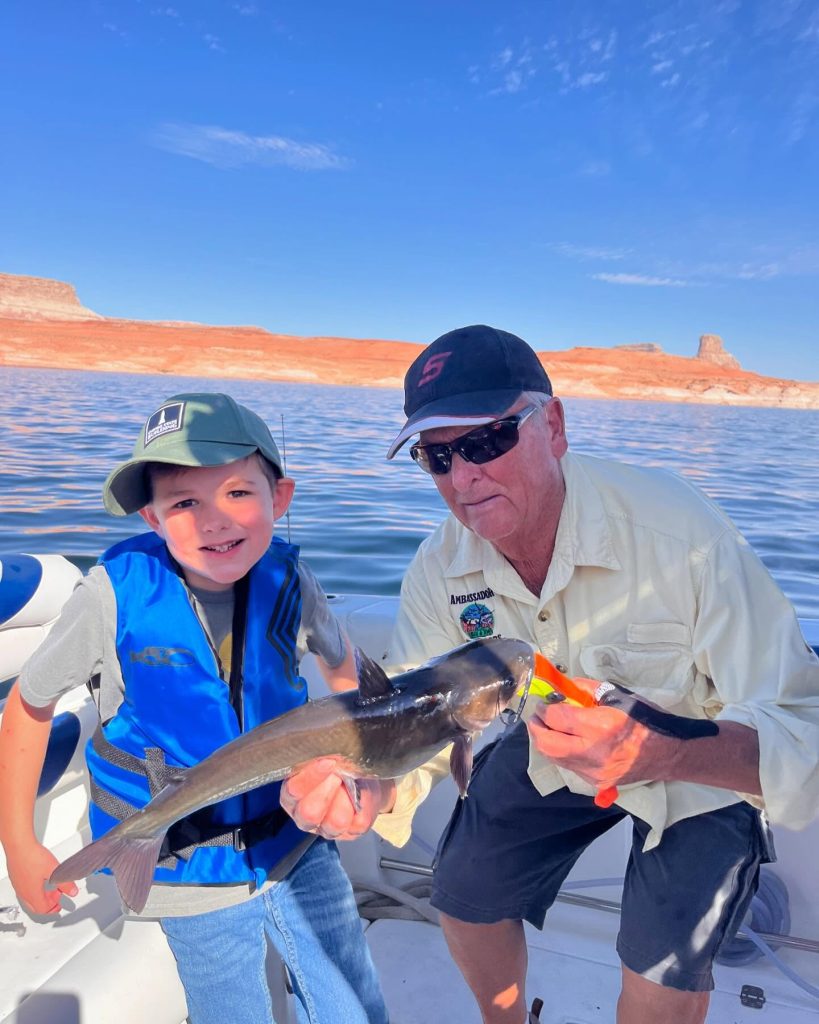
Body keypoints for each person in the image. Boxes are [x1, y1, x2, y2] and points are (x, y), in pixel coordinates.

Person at [281, 326, 819, 1024]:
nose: (461, 477)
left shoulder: (681, 535)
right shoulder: (439, 568)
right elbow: (416, 722)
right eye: (435, 456)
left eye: (484, 442)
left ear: (553, 425)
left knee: (659, 961)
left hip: (697, 759)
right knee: (463, 890)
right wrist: (371, 789)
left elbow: (801, 730)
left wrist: (660, 751)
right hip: (549, 748)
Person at [0, 392, 389, 1024]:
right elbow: (29, 701)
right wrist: (19, 843)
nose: (214, 520)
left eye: (238, 492)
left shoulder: (292, 579)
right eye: (184, 503)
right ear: (152, 520)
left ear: (279, 500)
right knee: (231, 1009)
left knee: (352, 997)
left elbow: (343, 670)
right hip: (182, 862)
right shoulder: (114, 595)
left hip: (298, 839)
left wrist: (364, 772)